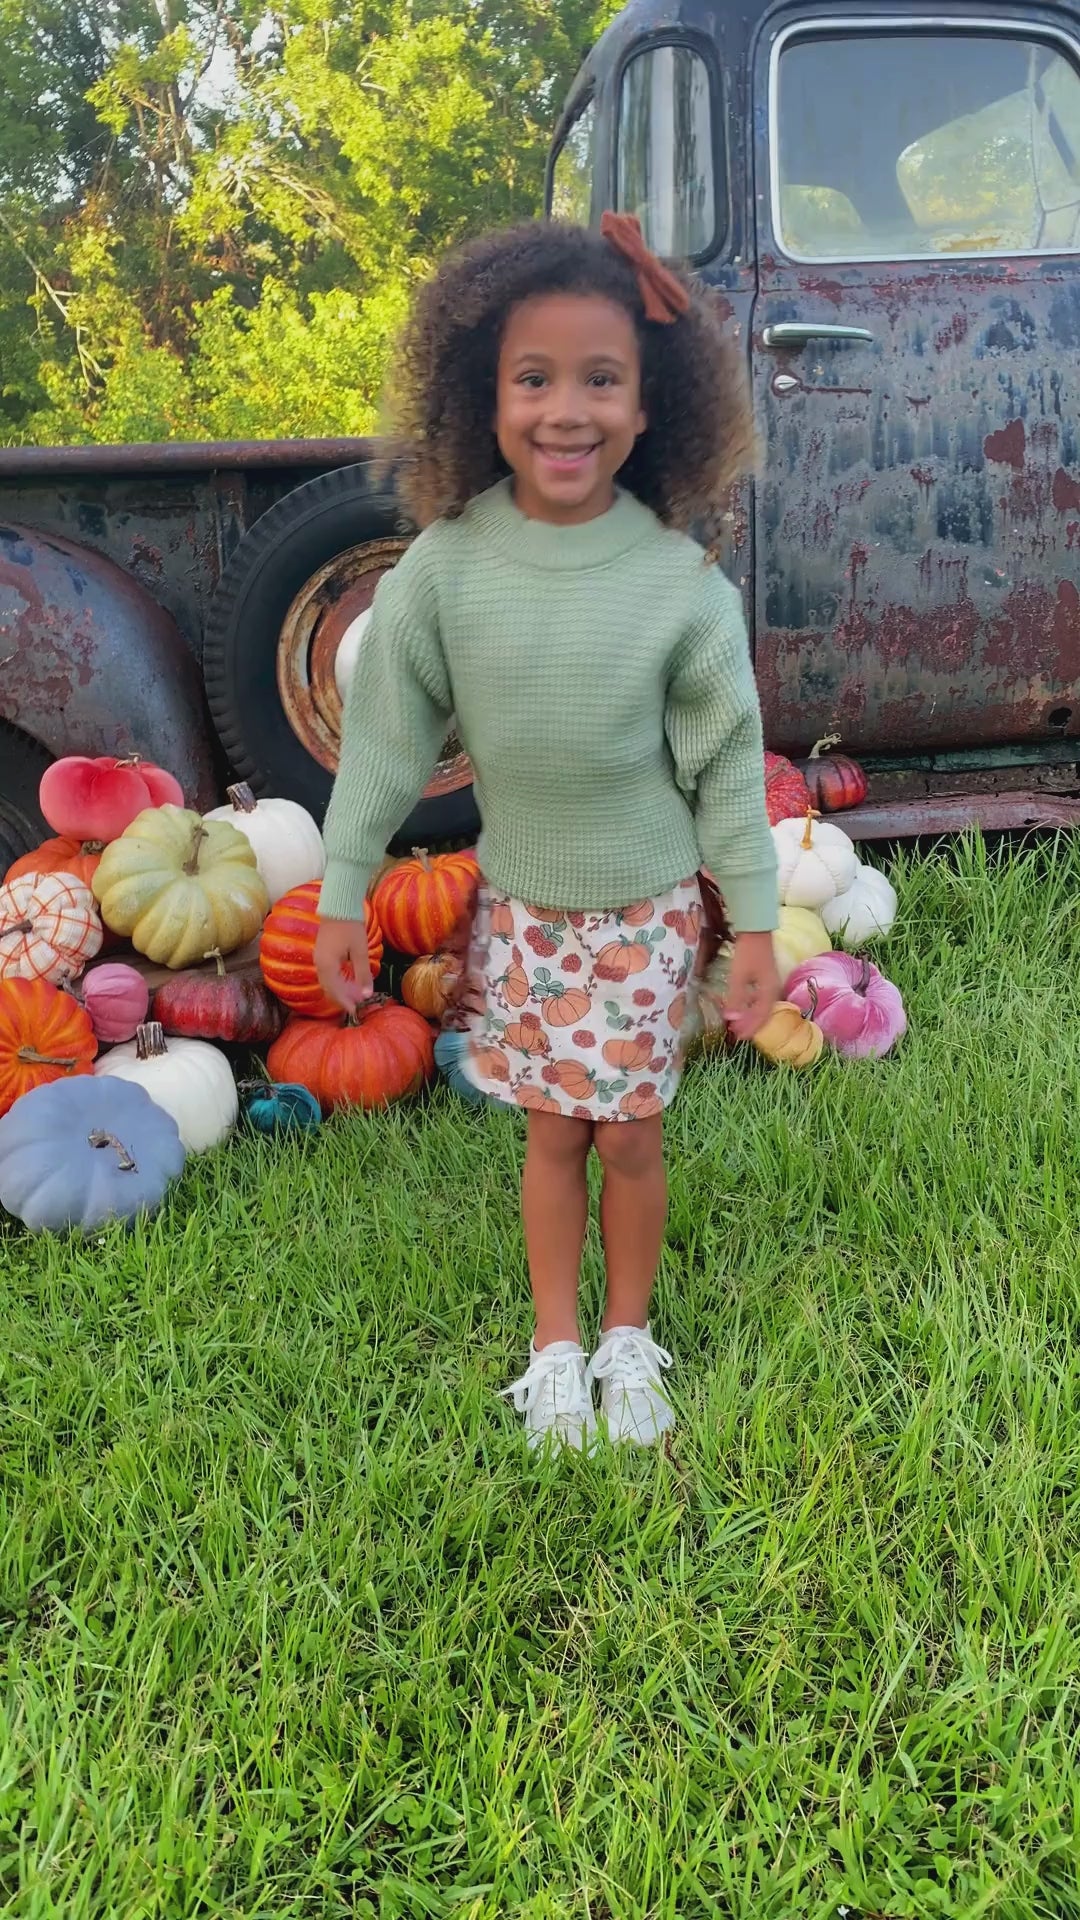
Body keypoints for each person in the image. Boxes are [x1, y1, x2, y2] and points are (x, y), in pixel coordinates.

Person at [313, 213, 780, 1452]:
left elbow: (730, 764)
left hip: (646, 907)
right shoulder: (447, 572)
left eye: (600, 379)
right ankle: (557, 1345)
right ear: (485, 393)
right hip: (522, 907)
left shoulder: (677, 584)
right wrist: (344, 891)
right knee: (551, 1129)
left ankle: (630, 1336)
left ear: (649, 407)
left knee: (629, 1130)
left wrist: (762, 923)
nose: (565, 411)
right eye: (535, 378)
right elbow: (386, 739)